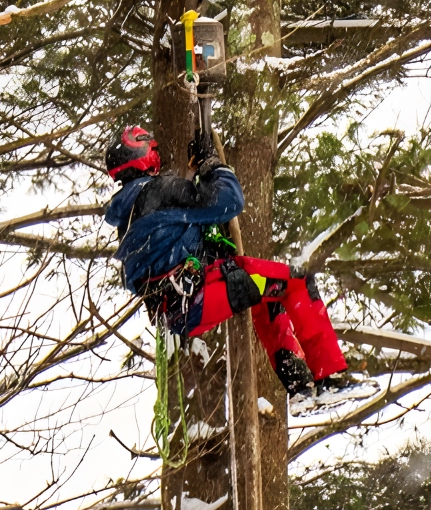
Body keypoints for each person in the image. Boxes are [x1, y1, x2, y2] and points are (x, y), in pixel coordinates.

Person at [103, 125, 348, 398]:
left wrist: (197, 174)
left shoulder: (129, 213)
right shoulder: (159, 190)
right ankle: (330, 377)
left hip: (183, 309)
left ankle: (300, 387)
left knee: (271, 295)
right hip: (204, 294)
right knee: (298, 282)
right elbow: (229, 201)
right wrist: (214, 167)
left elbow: (185, 218)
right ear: (143, 155)